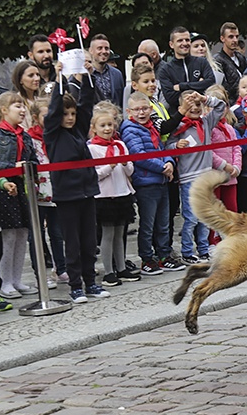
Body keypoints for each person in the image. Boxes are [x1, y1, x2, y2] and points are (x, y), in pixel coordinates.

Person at [45, 75, 111, 303]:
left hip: (87, 191)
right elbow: (54, 111)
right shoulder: (52, 134)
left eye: (72, 114)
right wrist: (58, 81)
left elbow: (85, 104)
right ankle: (75, 286)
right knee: (72, 243)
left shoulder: (79, 130)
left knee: (89, 241)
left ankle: (90, 281)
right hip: (67, 195)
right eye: (66, 114)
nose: (70, 118)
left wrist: (88, 77)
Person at [120, 91, 182, 276]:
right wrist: (163, 166)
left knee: (163, 223)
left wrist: (170, 161)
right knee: (147, 224)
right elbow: (139, 156)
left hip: (162, 180)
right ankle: (146, 258)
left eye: (145, 108)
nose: (141, 112)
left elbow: (161, 148)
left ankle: (163, 255)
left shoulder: (151, 127)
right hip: (146, 182)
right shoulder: (130, 129)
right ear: (129, 111)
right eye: (137, 109)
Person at [0, 92, 37, 299]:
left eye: (23, 106)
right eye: (17, 106)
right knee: (8, 236)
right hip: (3, 188)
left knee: (22, 234)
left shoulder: (24, 135)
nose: (22, 110)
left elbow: (32, 158)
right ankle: (4, 281)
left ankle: (16, 279)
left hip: (22, 188)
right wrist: (12, 167)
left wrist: (30, 168)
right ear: (3, 110)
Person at [167, 90, 227, 264]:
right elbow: (167, 145)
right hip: (189, 179)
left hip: (206, 176)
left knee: (205, 217)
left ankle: (203, 249)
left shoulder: (206, 122)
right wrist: (176, 145)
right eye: (190, 104)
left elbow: (221, 106)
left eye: (198, 104)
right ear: (182, 107)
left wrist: (205, 98)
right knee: (191, 217)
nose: (194, 107)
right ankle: (186, 251)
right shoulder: (179, 127)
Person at [88, 109, 137, 287]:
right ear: (94, 128)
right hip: (104, 196)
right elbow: (95, 175)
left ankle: (121, 267)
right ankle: (108, 271)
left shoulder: (120, 145)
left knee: (120, 233)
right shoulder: (92, 148)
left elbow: (130, 170)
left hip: (122, 192)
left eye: (110, 125)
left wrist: (125, 164)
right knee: (107, 234)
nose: (107, 128)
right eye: (103, 125)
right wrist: (109, 166)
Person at [27, 98, 66, 288]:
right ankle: (41, 273)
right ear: (35, 118)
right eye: (45, 115)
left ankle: (61, 267)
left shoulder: (58, 135)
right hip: (38, 191)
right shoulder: (30, 138)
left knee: (57, 232)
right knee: (37, 235)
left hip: (56, 189)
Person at [206, 84, 240, 245]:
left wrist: (236, 167)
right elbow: (209, 152)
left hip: (231, 176)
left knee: (231, 209)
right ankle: (213, 241)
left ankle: (232, 238)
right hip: (216, 175)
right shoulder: (209, 128)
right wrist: (224, 165)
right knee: (215, 210)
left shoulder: (229, 128)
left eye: (224, 104)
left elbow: (236, 147)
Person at [157, 26, 216, 112]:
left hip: (202, 115)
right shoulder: (165, 70)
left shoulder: (202, 62)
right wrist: (199, 85)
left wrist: (182, 86)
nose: (184, 43)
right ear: (171, 44)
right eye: (180, 40)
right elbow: (171, 98)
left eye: (187, 40)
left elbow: (211, 83)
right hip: (179, 119)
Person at [215, 22, 247, 101]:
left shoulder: (241, 57)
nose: (235, 40)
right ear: (222, 38)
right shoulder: (217, 61)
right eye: (231, 37)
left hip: (245, 101)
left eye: (236, 36)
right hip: (230, 103)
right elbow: (220, 87)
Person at [89, 34, 124, 107]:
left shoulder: (117, 75)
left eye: (106, 48)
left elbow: (121, 100)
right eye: (99, 48)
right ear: (91, 51)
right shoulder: (85, 75)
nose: (104, 51)